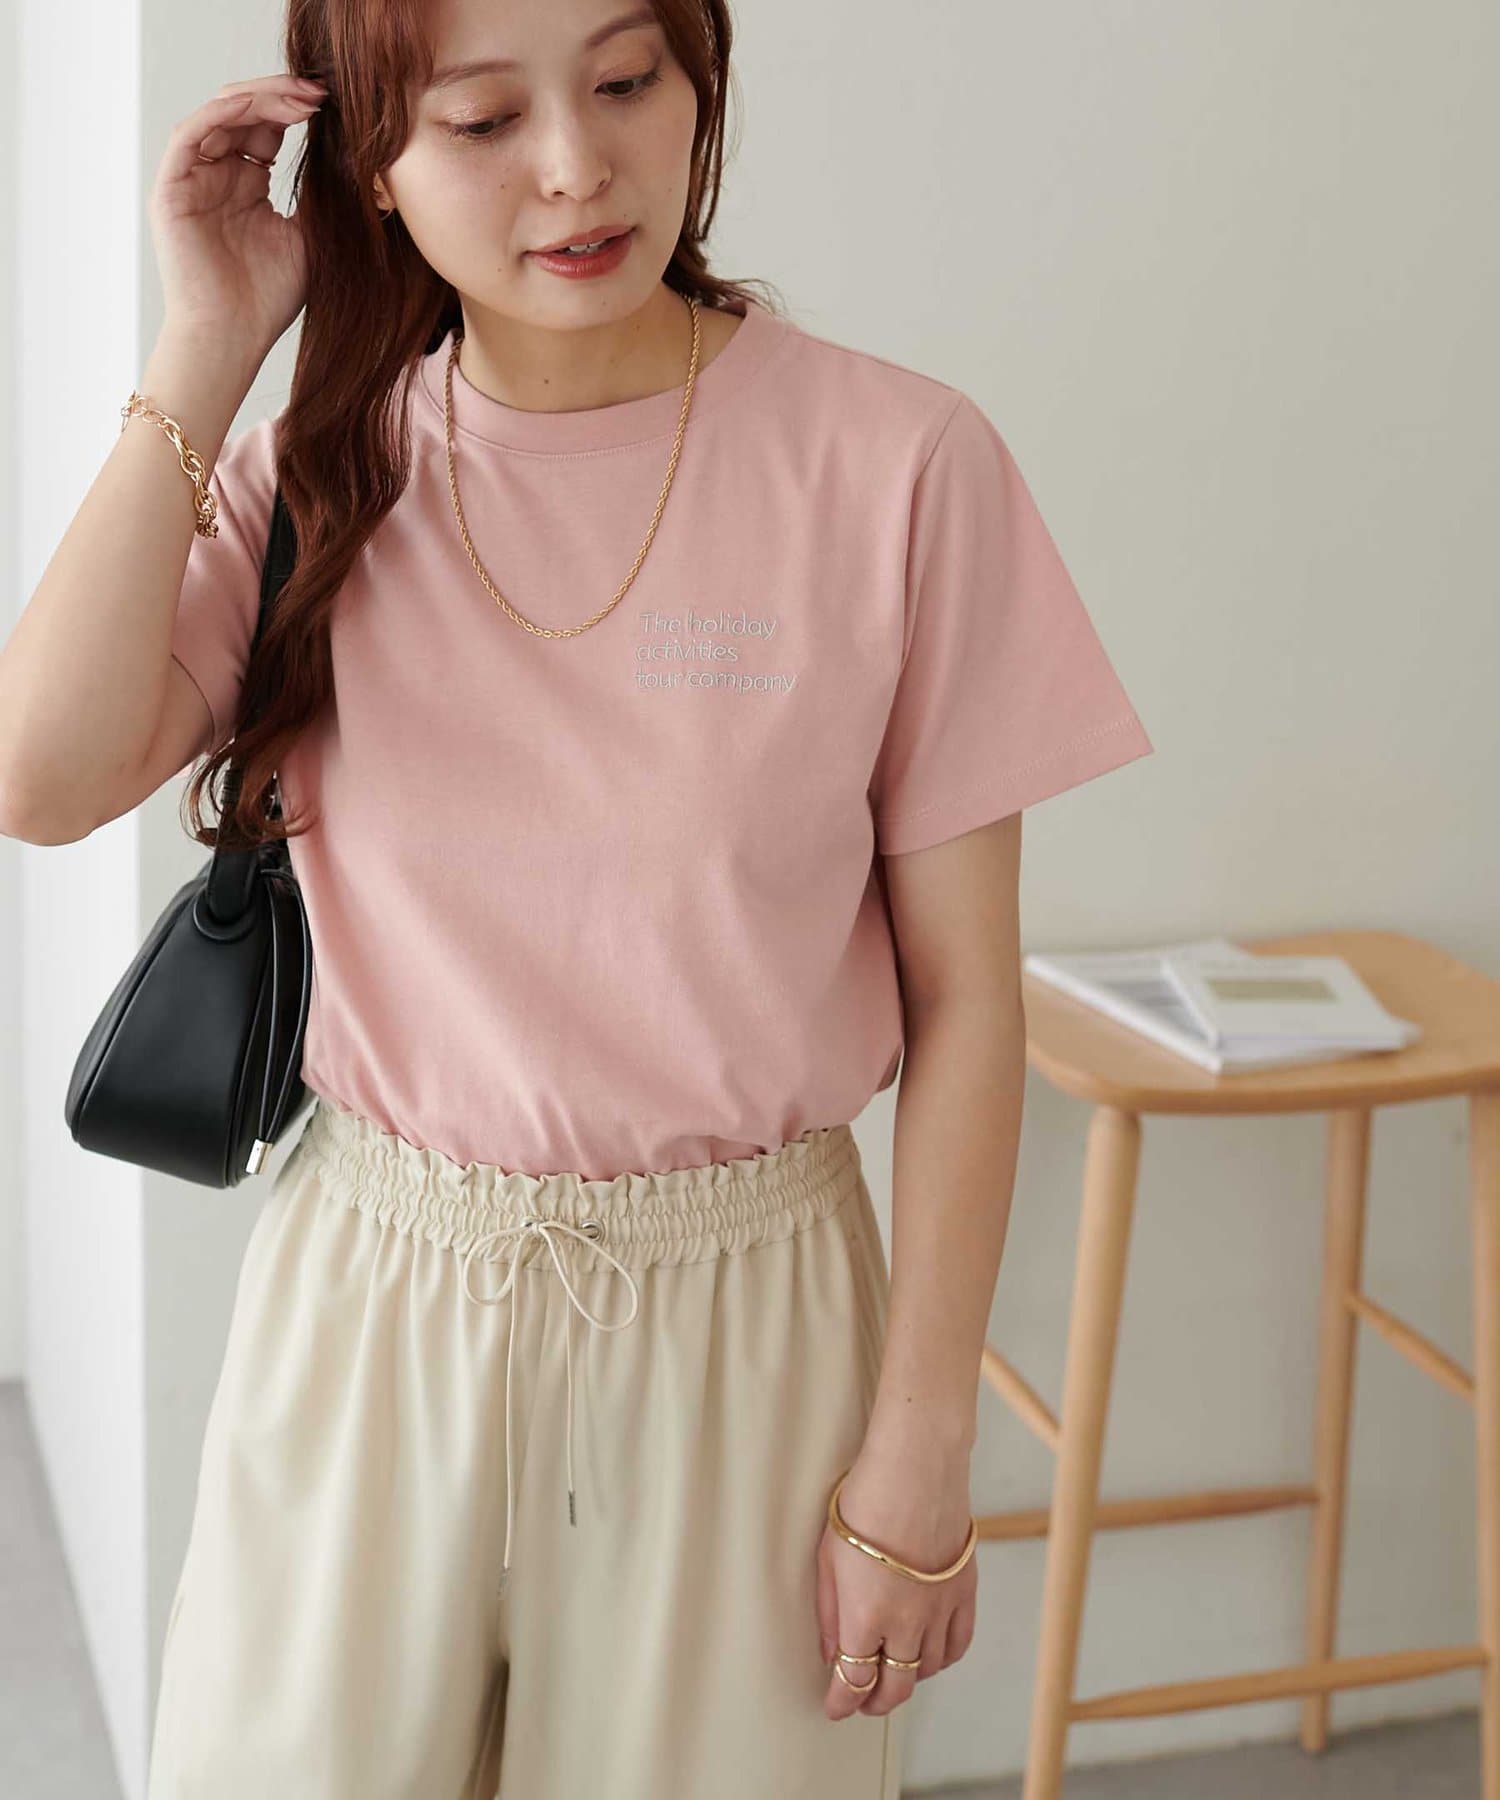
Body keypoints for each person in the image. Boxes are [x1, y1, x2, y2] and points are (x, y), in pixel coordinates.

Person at [0, 1, 1155, 1794]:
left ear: (700, 82)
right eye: (481, 120)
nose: (575, 167)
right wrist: (212, 341)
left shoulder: (899, 466)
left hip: (749, 1335)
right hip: (371, 1313)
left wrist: (922, 1455)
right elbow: (42, 777)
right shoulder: (322, 473)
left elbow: (966, 1004)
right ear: (372, 167)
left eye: (627, 83)